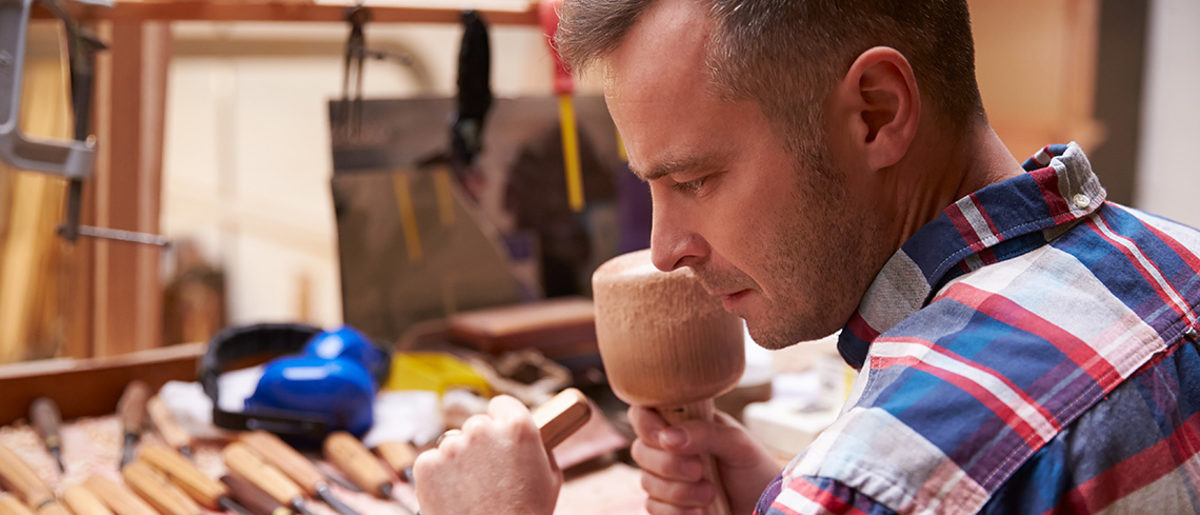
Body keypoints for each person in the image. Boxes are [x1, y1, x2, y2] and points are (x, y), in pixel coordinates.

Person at [413, 0, 1200, 513]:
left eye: (693, 178)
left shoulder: (885, 473)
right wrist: (786, 495)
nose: (663, 248)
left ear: (875, 112)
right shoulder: (1181, 262)